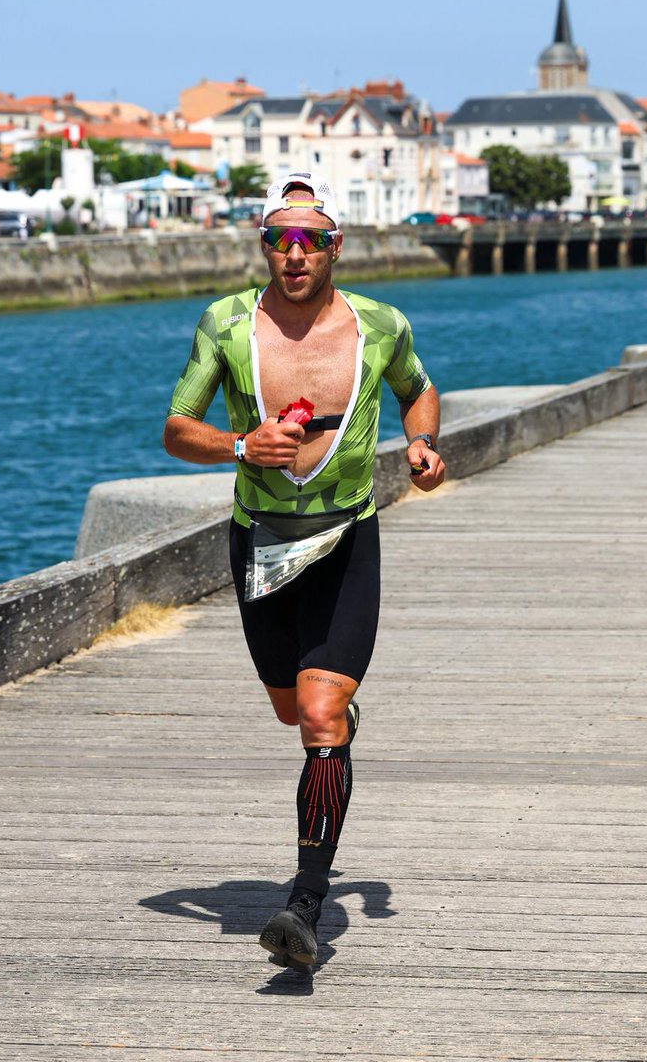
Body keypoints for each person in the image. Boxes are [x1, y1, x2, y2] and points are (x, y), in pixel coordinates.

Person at [163, 171, 445, 968]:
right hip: (261, 541)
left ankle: (305, 905)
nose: (295, 254)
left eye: (310, 241)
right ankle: (333, 716)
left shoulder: (380, 324)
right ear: (263, 247)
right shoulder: (227, 324)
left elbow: (419, 392)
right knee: (294, 711)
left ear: (334, 247)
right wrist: (239, 444)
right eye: (280, 240)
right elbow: (177, 429)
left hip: (347, 536)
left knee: (320, 716)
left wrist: (423, 445)